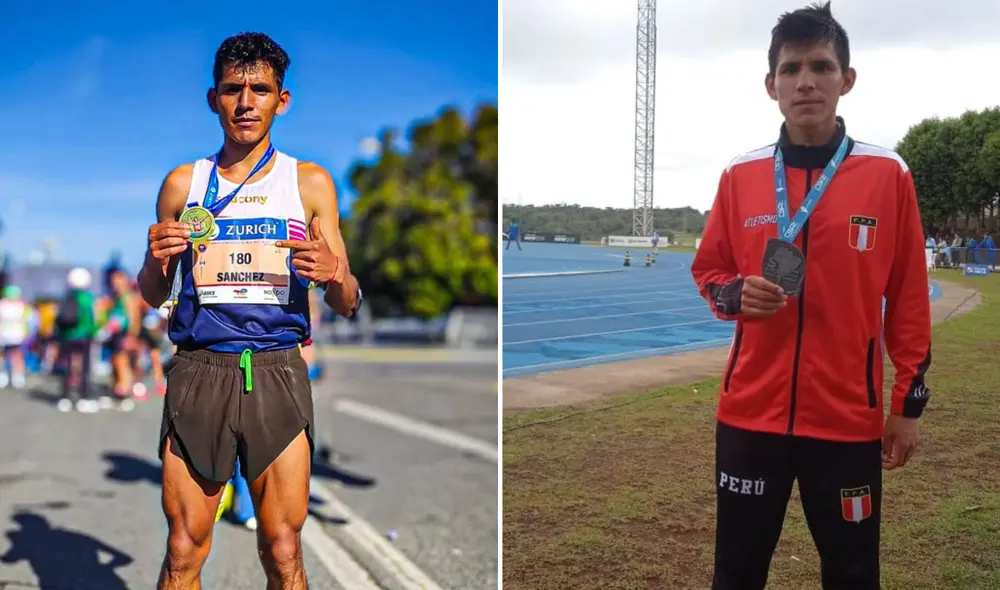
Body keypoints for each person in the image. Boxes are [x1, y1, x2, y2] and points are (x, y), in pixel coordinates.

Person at [689, 4, 932, 589]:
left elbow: (909, 298)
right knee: (737, 573)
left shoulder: (887, 174)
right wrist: (732, 295)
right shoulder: (739, 175)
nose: (806, 81)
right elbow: (709, 270)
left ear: (846, 80)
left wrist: (906, 406)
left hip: (847, 421)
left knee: (852, 574)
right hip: (749, 419)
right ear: (770, 84)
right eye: (791, 67)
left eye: (821, 66)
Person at [137, 32, 361, 589]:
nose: (245, 102)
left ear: (280, 100)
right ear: (213, 98)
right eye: (233, 89)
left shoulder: (308, 183)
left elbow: (348, 298)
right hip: (199, 371)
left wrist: (333, 270)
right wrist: (154, 259)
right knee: (184, 550)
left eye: (259, 89)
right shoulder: (182, 184)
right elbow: (150, 292)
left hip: (277, 369)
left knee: (283, 550)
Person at [55, 268, 99, 413]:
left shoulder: (66, 297)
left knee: (67, 365)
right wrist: (93, 333)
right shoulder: (86, 298)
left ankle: (65, 397)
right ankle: (84, 397)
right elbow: (90, 320)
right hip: (83, 337)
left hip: (67, 337)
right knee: (84, 367)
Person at [0, 285, 30, 389]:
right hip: (4, 336)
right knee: (4, 355)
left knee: (16, 355)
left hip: (16, 335)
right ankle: (4, 374)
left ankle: (16, 375)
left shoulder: (22, 306)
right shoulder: (2, 305)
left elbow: (27, 321)